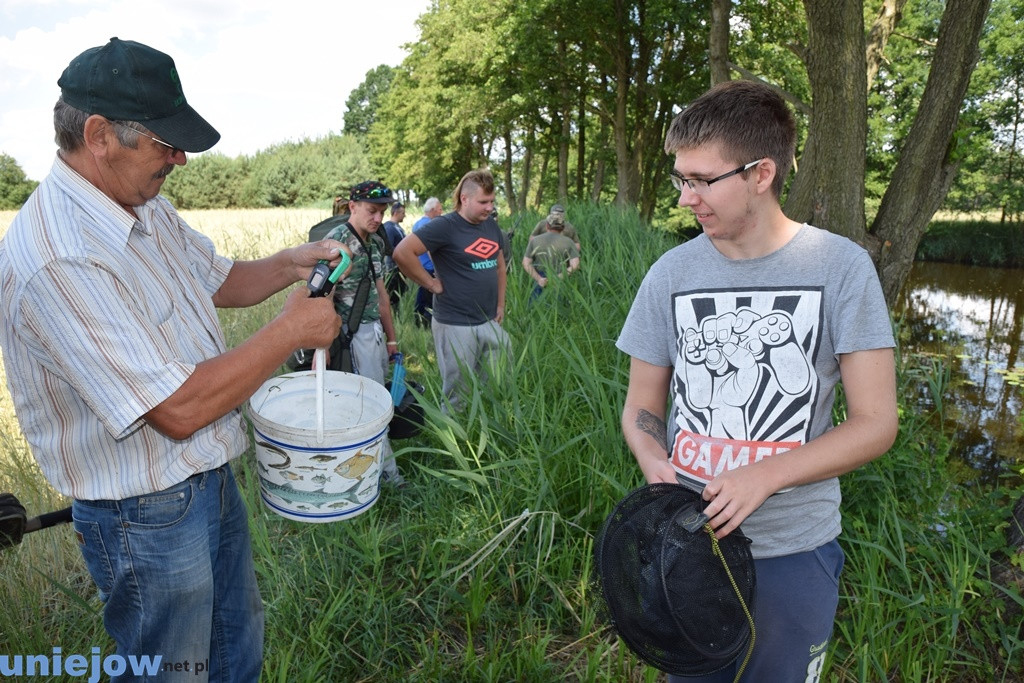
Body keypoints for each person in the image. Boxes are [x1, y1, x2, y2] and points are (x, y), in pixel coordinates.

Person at [0, 38, 347, 682]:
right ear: (100, 135)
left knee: (234, 653)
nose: (180, 158)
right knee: (172, 673)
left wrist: (290, 264)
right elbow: (177, 410)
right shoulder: (60, 257)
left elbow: (219, 279)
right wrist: (290, 330)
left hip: (207, 476)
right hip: (145, 514)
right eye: (165, 141)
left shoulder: (141, 203)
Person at [616, 80, 898, 682]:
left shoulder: (840, 268)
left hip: (795, 549)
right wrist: (650, 455)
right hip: (688, 541)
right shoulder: (671, 272)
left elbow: (877, 424)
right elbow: (642, 404)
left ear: (760, 173)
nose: (687, 197)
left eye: (701, 180)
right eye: (680, 179)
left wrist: (764, 476)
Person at [394, 169, 510, 411]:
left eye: (491, 202)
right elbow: (402, 252)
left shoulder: (490, 227)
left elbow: (500, 267)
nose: (489, 208)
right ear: (464, 199)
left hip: (488, 319)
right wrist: (431, 283)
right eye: (483, 202)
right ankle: (452, 436)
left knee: (496, 380)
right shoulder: (444, 226)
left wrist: (500, 304)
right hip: (455, 322)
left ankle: (486, 428)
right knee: (459, 389)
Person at [322, 181, 405, 486]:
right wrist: (324, 346)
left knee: (379, 401)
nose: (378, 218)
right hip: (351, 337)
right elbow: (323, 296)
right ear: (352, 206)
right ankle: (387, 476)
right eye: (372, 211)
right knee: (372, 408)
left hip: (375, 335)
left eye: (382, 212)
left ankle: (370, 469)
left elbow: (382, 295)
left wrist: (392, 339)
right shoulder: (336, 242)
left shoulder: (375, 242)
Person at [521, 216, 580, 301]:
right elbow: (575, 265)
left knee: (534, 308)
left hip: (540, 278)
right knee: (559, 308)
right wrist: (559, 278)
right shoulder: (569, 242)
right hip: (560, 279)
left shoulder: (535, 240)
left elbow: (525, 263)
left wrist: (539, 279)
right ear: (562, 227)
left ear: (547, 226)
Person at [410, 197, 443, 327]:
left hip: (419, 266)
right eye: (440, 209)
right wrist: (437, 266)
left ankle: (419, 321)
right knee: (429, 298)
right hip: (429, 267)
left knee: (422, 295)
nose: (441, 212)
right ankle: (425, 322)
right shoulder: (430, 225)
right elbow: (430, 249)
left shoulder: (417, 224)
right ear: (433, 210)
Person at [382, 201, 408, 309]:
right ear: (396, 213)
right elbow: (388, 248)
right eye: (402, 213)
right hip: (393, 268)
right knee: (392, 294)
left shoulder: (397, 227)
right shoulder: (389, 228)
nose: (404, 215)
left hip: (400, 267)